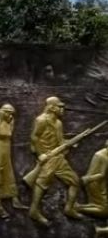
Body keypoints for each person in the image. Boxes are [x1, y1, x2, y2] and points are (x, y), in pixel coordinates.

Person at [28, 96, 83, 226]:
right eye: (60, 106)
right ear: (52, 107)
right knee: (42, 183)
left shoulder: (58, 123)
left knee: (75, 181)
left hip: (59, 158)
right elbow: (34, 137)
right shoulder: (41, 120)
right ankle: (34, 210)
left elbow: (60, 141)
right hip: (48, 158)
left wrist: (70, 143)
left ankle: (69, 208)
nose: (62, 109)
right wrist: (41, 154)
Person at [0, 104, 28, 218]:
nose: (10, 115)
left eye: (11, 114)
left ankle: (15, 200)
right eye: (8, 113)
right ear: (3, 113)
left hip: (6, 149)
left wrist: (12, 121)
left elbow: (10, 133)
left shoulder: (7, 124)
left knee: (9, 174)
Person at [76, 140, 108, 218]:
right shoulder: (104, 157)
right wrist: (88, 179)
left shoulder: (98, 154)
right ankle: (78, 208)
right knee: (105, 210)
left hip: (92, 182)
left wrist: (87, 178)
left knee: (96, 204)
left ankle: (78, 206)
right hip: (96, 183)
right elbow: (102, 174)